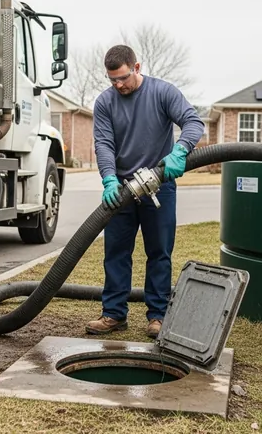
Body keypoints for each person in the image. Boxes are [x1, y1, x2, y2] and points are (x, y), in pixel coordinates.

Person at [87, 44, 205, 339]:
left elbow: (193, 122)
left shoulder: (163, 92)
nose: (118, 85)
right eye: (112, 79)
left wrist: (180, 150)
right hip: (122, 189)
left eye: (123, 78)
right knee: (115, 252)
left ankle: (158, 316)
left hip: (159, 186)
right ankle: (114, 314)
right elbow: (103, 143)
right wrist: (109, 179)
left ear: (136, 68)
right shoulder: (105, 102)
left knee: (159, 252)